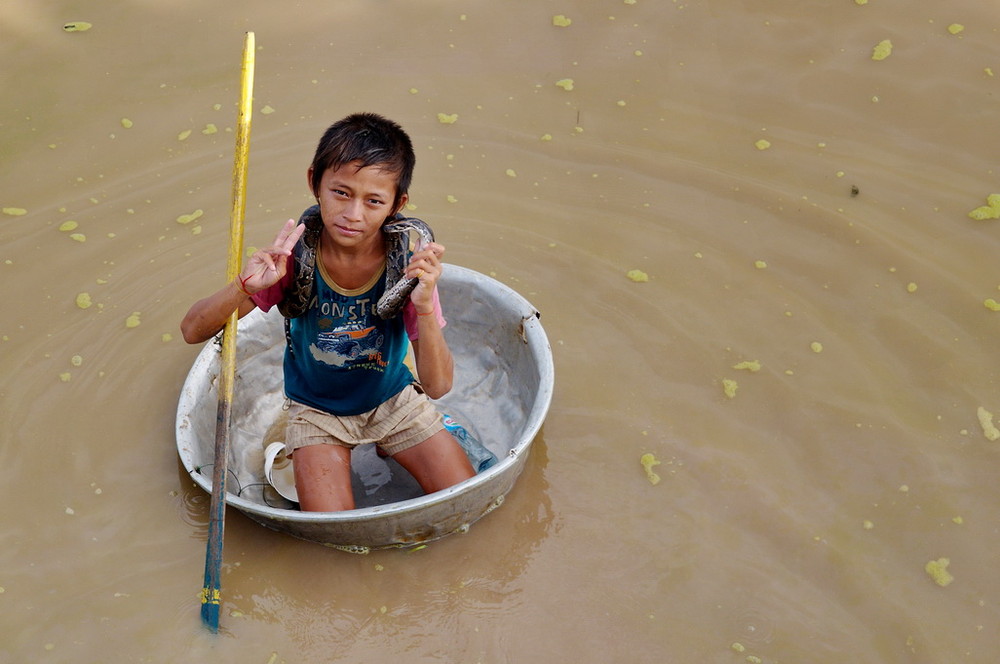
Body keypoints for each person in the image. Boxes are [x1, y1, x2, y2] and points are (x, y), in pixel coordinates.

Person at [180, 113, 475, 512]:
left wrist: (423, 306)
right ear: (314, 183)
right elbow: (192, 330)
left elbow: (439, 387)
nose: (353, 214)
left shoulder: (408, 269)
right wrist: (245, 287)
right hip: (317, 411)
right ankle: (306, 446)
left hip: (392, 400)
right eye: (340, 192)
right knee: (332, 528)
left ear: (397, 204)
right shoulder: (291, 260)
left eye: (373, 201)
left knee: (465, 499)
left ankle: (392, 443)